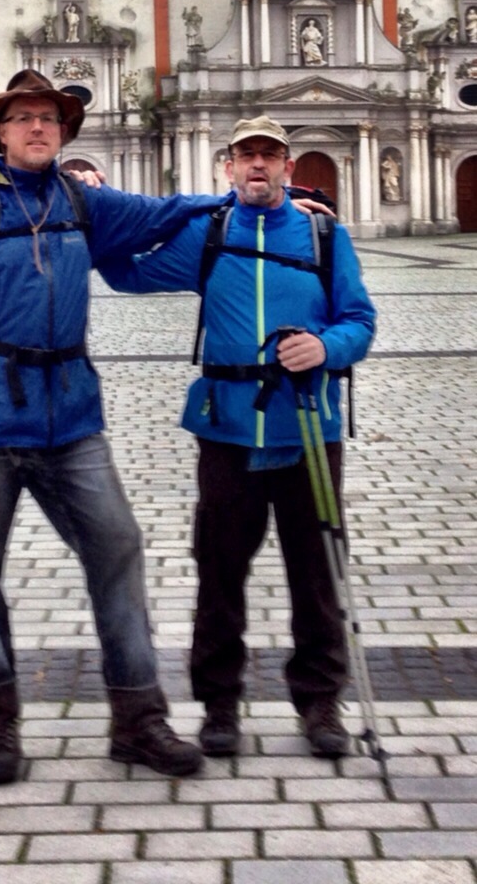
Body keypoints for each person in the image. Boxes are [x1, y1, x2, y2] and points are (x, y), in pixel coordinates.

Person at [0, 68, 224, 785]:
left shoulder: (83, 202)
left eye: (48, 118)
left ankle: (137, 721)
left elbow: (164, 213)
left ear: (63, 131)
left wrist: (251, 201)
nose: (37, 127)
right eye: (23, 117)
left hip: (73, 421)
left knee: (118, 548)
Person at [99, 116, 375, 761]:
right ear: (228, 166)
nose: (258, 165)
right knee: (219, 571)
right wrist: (110, 223)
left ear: (287, 167)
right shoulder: (211, 232)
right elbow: (126, 274)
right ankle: (219, 704)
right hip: (227, 429)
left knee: (317, 573)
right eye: (247, 155)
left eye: (270, 156)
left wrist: (326, 347)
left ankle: (320, 702)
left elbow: (359, 320)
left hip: (308, 427)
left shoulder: (324, 235)